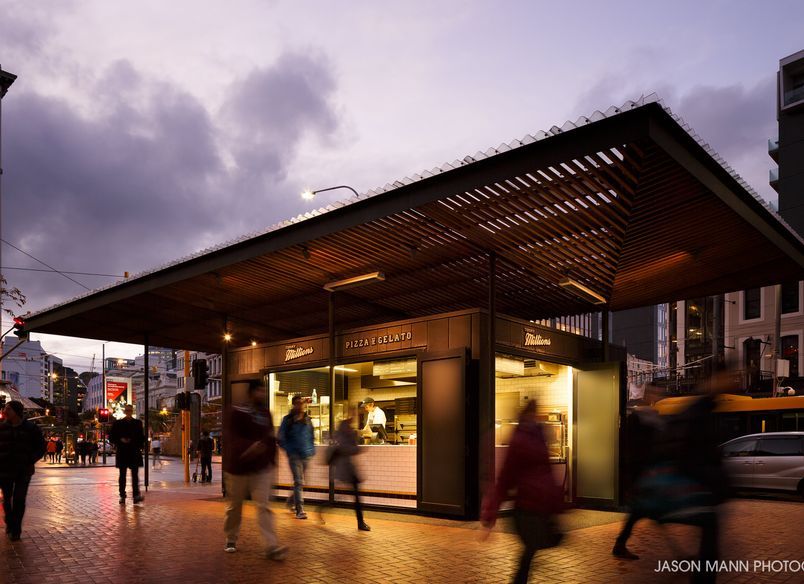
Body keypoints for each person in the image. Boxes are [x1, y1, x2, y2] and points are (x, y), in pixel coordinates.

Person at [481, 400, 565, 584]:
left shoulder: (520, 439)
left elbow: (505, 478)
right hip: (537, 504)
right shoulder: (538, 438)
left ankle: (520, 579)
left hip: (527, 504)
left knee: (531, 547)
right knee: (532, 547)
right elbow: (547, 475)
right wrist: (558, 502)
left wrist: (491, 512)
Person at [222, 379, 286, 560]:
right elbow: (231, 437)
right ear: (251, 392)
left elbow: (269, 437)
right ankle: (231, 538)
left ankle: (271, 545)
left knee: (264, 506)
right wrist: (250, 447)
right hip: (238, 468)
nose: (263, 394)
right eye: (260, 390)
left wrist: (272, 461)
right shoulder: (236, 411)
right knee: (235, 506)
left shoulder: (265, 413)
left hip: (261, 468)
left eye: (264, 391)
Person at [612, 408, 663, 560]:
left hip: (645, 472)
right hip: (642, 473)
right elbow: (636, 449)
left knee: (639, 511)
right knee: (640, 511)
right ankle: (620, 544)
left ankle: (620, 544)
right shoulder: (638, 420)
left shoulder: (649, 419)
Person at [0, 400, 46, 541]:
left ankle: (16, 528)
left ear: (16, 411)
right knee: (7, 498)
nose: (5, 411)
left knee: (19, 499)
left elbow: (41, 448)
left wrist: (30, 460)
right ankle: (9, 520)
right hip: (4, 469)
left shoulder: (31, 428)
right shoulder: (1, 428)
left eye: (8, 409)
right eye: (5, 408)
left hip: (23, 469)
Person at [321, 415, 370, 531]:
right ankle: (360, 522)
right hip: (345, 470)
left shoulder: (345, 434)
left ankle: (360, 522)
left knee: (352, 497)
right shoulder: (344, 435)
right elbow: (347, 449)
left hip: (348, 469)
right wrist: (359, 449)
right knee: (351, 497)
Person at [277, 395, 314, 519]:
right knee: (298, 481)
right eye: (298, 403)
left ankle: (290, 502)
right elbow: (280, 438)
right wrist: (289, 450)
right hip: (294, 455)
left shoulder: (308, 419)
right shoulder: (288, 420)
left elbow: (311, 436)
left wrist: (311, 449)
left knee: (301, 482)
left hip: (306, 454)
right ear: (293, 405)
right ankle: (300, 510)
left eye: (302, 403)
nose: (300, 405)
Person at [109, 404, 145, 505]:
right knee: (122, 475)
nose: (128, 412)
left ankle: (136, 495)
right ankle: (122, 495)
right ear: (125, 411)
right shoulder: (118, 423)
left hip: (134, 451)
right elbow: (112, 437)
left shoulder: (138, 423)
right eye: (127, 410)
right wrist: (121, 440)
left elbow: (141, 438)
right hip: (123, 451)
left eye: (130, 410)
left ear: (131, 411)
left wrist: (134, 442)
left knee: (135, 476)